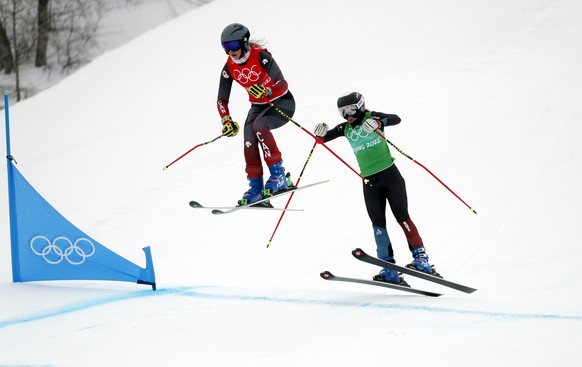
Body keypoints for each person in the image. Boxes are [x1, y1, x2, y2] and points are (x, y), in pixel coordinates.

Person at [313, 92, 439, 285]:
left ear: (361, 106)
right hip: (369, 182)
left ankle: (421, 259)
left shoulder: (372, 117)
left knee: (402, 216)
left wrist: (379, 123)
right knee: (378, 224)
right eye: (343, 112)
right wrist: (320, 134)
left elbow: (396, 119)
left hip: (390, 176)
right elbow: (322, 140)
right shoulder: (345, 128)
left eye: (351, 110)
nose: (348, 116)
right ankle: (388, 268)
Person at [216, 23, 295, 206]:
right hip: (258, 106)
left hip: (283, 102)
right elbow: (222, 100)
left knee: (259, 126)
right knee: (249, 136)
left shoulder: (261, 57)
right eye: (226, 48)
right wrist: (226, 120)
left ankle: (279, 176)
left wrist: (268, 91)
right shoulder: (229, 67)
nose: (230, 52)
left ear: (244, 43)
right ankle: (256, 187)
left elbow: (282, 84)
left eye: (234, 46)